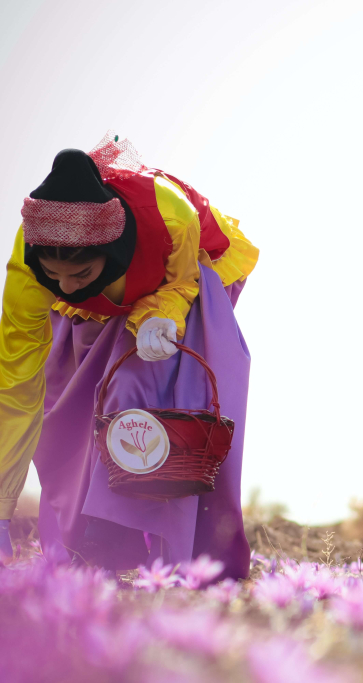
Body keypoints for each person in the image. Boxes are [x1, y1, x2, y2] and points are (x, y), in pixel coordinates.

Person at [0, 133, 258, 578]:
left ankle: (118, 532)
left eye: (81, 271)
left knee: (139, 387)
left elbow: (180, 283)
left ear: (110, 250)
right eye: (54, 276)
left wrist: (160, 319)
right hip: (101, 309)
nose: (66, 287)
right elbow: (15, 383)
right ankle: (93, 532)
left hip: (181, 281)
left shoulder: (170, 214)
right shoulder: (31, 261)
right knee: (73, 408)